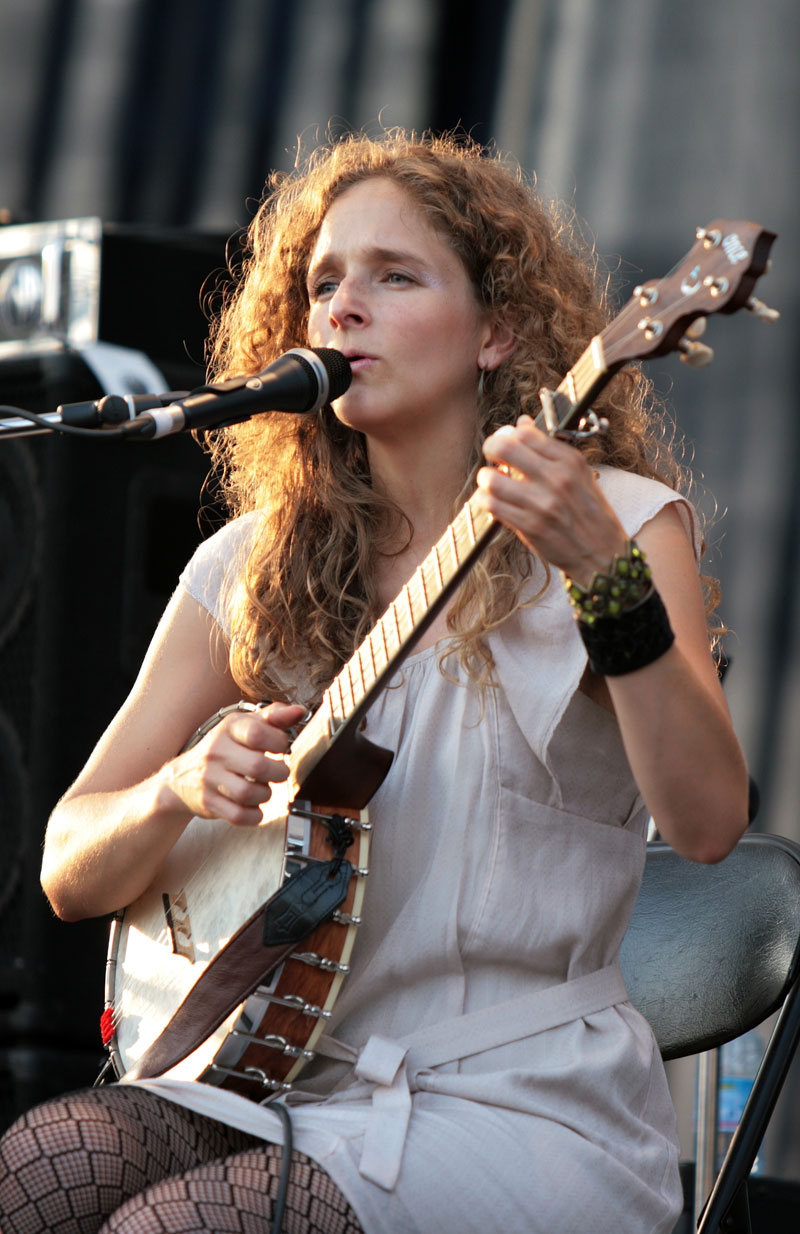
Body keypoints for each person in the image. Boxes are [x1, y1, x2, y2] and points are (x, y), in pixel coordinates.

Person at [0, 129, 749, 1234]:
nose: (343, 306)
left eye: (394, 276)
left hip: (526, 1112)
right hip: (280, 1081)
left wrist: (599, 572)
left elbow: (706, 820)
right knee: (35, 1165)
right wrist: (176, 787)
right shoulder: (248, 566)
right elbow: (68, 863)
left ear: (497, 329)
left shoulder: (621, 524)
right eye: (323, 283)